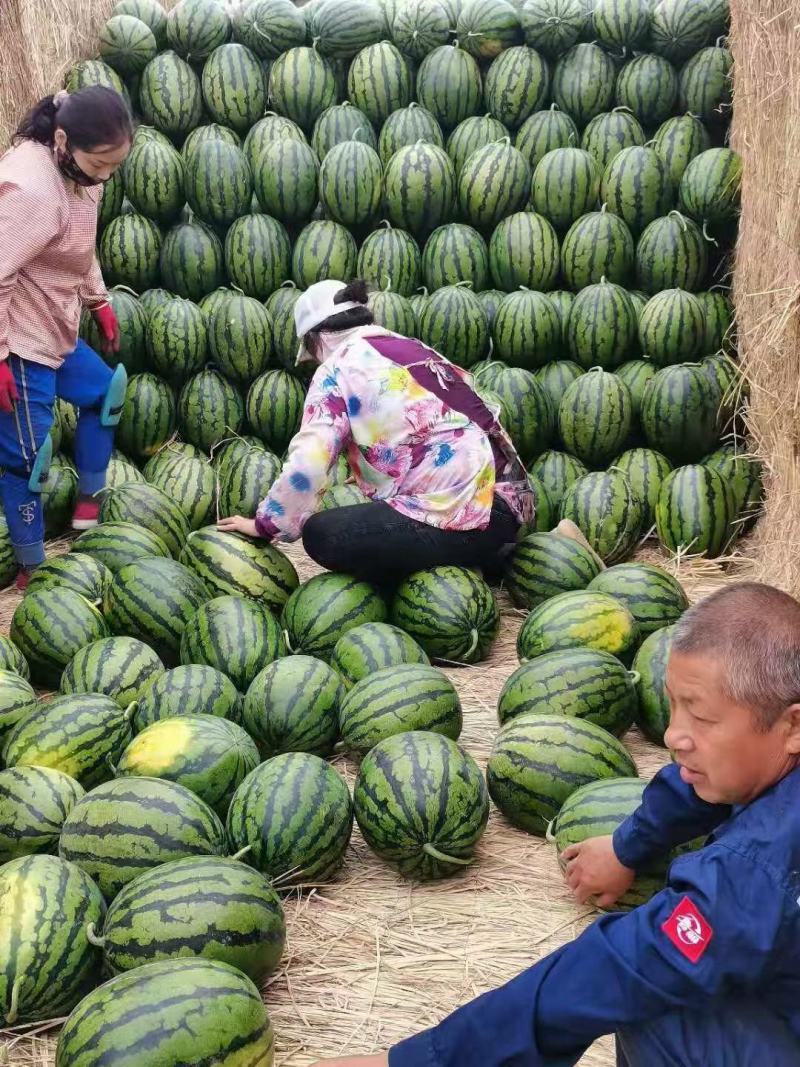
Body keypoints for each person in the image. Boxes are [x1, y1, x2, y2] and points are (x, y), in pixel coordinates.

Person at [311, 582, 800, 1067]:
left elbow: (621, 967)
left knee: (661, 1002)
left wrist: (424, 1061)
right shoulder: (763, 761)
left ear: (793, 726)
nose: (673, 734)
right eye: (671, 705)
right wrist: (627, 846)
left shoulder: (757, 865)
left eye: (701, 718)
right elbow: (700, 783)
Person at [218, 279, 532, 585]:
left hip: (468, 513)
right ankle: (506, 557)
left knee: (321, 534)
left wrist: (267, 525)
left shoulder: (336, 368)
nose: (314, 362)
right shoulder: (407, 347)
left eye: (311, 354)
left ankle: (450, 574)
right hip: (506, 506)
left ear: (316, 338)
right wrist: (377, 472)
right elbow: (454, 424)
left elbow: (309, 465)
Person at [0, 85, 132, 588]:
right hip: (18, 341)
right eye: (99, 165)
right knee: (29, 460)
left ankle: (87, 510)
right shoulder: (29, 189)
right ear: (60, 140)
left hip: (55, 325)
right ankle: (30, 567)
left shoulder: (81, 173)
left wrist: (98, 299)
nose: (104, 176)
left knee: (107, 393)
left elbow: (79, 242)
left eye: (113, 167)